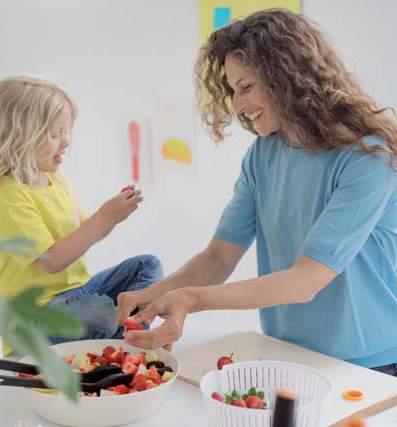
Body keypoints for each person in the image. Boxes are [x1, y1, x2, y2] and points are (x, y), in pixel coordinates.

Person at [117, 9, 397, 375]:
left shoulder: (368, 158)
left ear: (287, 77)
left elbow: (306, 280)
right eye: (233, 91)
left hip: (371, 365)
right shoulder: (263, 155)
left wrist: (191, 299)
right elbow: (218, 258)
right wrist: (153, 296)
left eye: (246, 87)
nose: (238, 106)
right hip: (290, 353)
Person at [0, 76, 163, 347]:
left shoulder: (58, 181)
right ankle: (119, 330)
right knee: (98, 314)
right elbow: (51, 261)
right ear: (20, 136)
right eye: (55, 133)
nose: (65, 141)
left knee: (148, 266)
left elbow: (85, 232)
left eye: (67, 132)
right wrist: (104, 217)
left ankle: (125, 330)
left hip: (79, 293)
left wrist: (114, 216)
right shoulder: (9, 195)